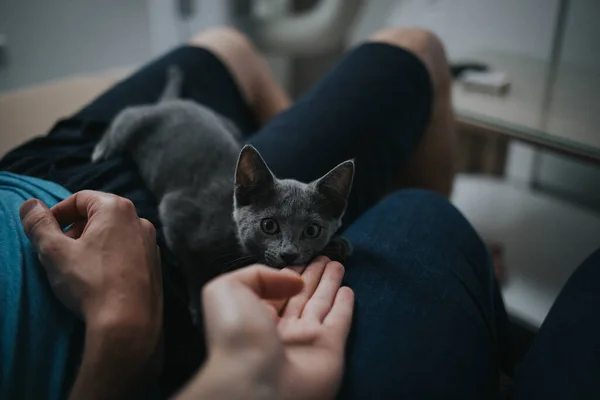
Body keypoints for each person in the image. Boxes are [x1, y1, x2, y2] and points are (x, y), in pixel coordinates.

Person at [0, 26, 598, 399]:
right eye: (275, 233)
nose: (289, 251)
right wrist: (122, 330)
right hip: (128, 248)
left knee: (227, 44)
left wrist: (292, 205)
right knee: (418, 62)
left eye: (308, 232)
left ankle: (302, 191)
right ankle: (473, 284)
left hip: (28, 171)